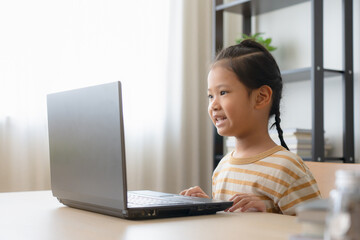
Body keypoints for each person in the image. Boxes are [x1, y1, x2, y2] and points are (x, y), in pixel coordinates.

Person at [180, 39, 321, 215]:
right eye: (210, 96)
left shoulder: (287, 169)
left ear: (261, 97)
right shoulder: (222, 168)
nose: (213, 105)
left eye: (223, 92)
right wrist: (208, 208)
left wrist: (266, 217)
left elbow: (318, 230)